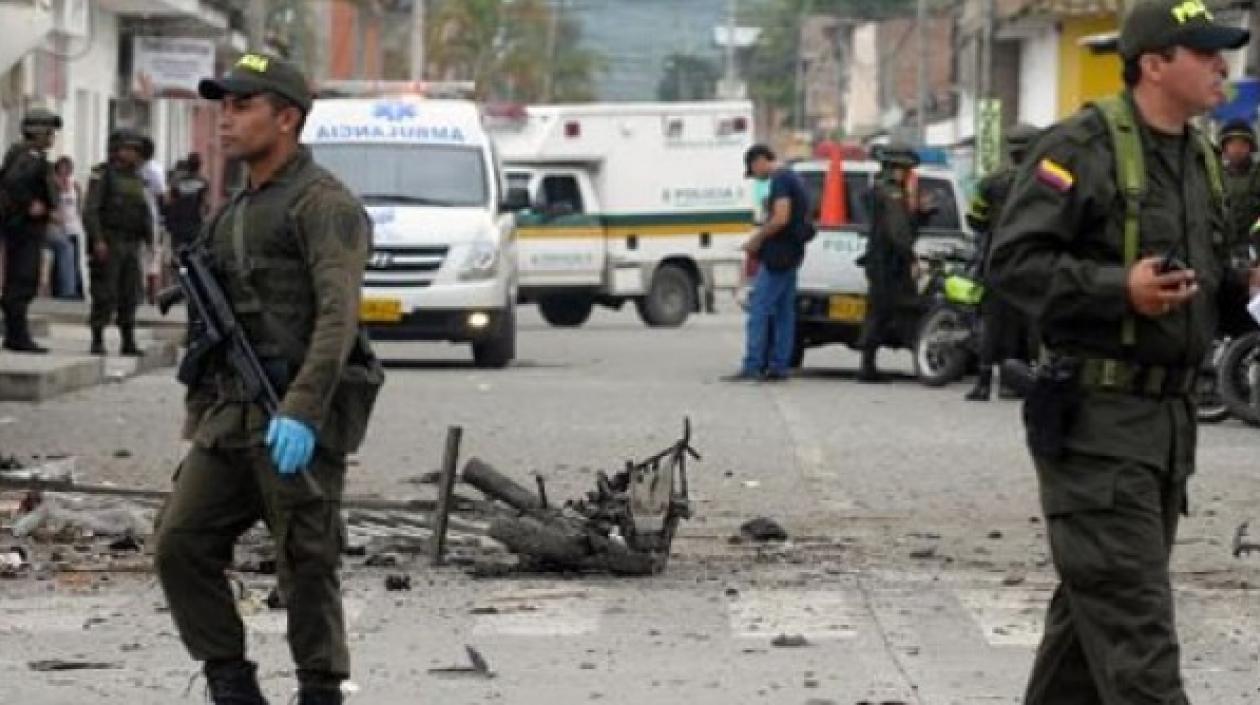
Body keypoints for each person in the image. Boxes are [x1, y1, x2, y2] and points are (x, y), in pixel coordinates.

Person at [987, 2, 1259, 702]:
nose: (1221, 64)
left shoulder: (1198, 156)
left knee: (1085, 641)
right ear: (1155, 64)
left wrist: (1239, 292)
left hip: (1164, 435)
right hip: (1095, 433)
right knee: (1141, 652)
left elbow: (1208, 285)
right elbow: (1013, 263)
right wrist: (1118, 289)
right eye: (1203, 51)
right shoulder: (1081, 146)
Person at [153, 52, 380, 705]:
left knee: (307, 558)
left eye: (242, 105)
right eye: (223, 106)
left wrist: (304, 411)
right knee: (180, 542)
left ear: (286, 118)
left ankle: (319, 688)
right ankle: (231, 681)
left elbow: (339, 320)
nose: (226, 119)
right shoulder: (235, 207)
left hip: (294, 412)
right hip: (233, 415)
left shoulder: (324, 203)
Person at [964, 124, 1041, 401]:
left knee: (994, 323)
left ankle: (984, 383)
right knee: (1032, 323)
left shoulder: (991, 182)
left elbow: (975, 220)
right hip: (1034, 262)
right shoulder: (1051, 179)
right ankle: (1031, 379)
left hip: (998, 262)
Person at [726, 144, 811, 381]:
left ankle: (753, 364)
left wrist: (757, 239)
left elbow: (781, 218)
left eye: (753, 171)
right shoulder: (796, 178)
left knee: (759, 310)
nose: (756, 177)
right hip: (792, 254)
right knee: (784, 313)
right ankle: (779, 366)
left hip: (778, 255)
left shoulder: (781, 180)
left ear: (760, 161)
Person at [856, 144, 922, 383]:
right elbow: (898, 232)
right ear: (895, 170)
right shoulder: (892, 194)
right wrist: (911, 257)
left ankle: (868, 364)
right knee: (888, 311)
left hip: (880, 260)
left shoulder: (878, 190)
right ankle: (868, 366)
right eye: (905, 170)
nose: (907, 175)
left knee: (879, 311)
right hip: (889, 262)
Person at [84, 129, 153, 356]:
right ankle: (97, 339)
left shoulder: (137, 178)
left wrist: (149, 239)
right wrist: (98, 240)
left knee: (130, 294)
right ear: (117, 150)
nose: (133, 154)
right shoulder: (103, 175)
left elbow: (143, 211)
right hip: (110, 241)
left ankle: (128, 340)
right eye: (129, 149)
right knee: (105, 292)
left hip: (131, 243)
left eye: (136, 150)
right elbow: (91, 210)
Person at [0, 107, 61, 352]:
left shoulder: (26, 155)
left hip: (27, 228)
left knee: (23, 280)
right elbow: (13, 183)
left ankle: (16, 333)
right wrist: (29, 204)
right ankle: (17, 335)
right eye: (49, 132)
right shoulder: (28, 156)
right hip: (24, 228)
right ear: (37, 132)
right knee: (22, 281)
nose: (51, 137)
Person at [1218, 118, 1260, 260]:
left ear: (1250, 147)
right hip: (1224, 249)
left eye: (1242, 144)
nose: (1237, 149)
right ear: (1224, 148)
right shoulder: (1216, 177)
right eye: (1232, 144)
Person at [48, 156, 85, 299]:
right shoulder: (54, 186)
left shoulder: (75, 185)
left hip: (73, 226)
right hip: (59, 227)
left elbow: (80, 205)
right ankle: (60, 289)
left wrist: (80, 219)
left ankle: (75, 289)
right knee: (62, 257)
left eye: (67, 170)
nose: (64, 174)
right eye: (62, 171)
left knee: (73, 259)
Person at [164, 151, 210, 252]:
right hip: (194, 225)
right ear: (200, 165)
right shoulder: (204, 182)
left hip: (177, 224)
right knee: (192, 254)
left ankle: (179, 266)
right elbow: (205, 205)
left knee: (177, 254)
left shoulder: (176, 181)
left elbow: (168, 201)